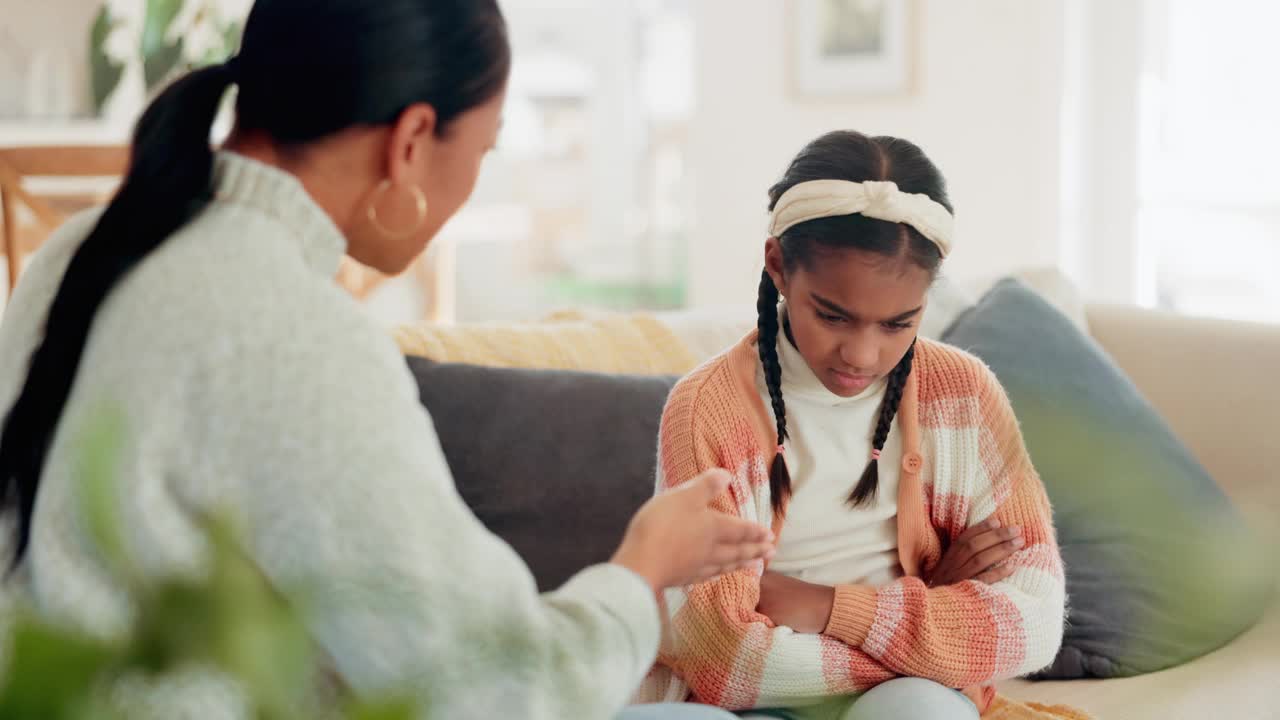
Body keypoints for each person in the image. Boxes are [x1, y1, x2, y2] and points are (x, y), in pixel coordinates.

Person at [0, 2, 774, 718]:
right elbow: (498, 687)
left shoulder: (78, 252)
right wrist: (645, 564)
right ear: (410, 141)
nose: (474, 179)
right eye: (485, 146)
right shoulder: (301, 337)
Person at [638, 131, 1066, 719]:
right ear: (779, 267)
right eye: (833, 316)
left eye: (898, 323)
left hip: (910, 699)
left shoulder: (964, 396)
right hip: (748, 704)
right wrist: (938, 619)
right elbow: (722, 657)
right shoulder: (707, 411)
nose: (861, 356)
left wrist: (829, 608)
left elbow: (1035, 626)